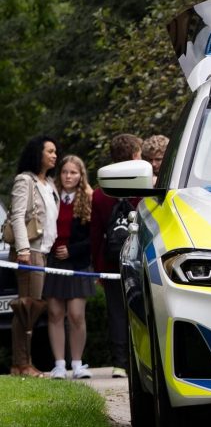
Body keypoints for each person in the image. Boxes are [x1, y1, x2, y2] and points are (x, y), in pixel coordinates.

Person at [90, 134, 144, 378]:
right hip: (139, 258)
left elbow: (96, 235)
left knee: (116, 311)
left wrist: (97, 267)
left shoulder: (100, 195)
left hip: (111, 262)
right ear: (134, 156)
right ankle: (139, 359)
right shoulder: (144, 188)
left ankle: (120, 363)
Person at [7, 136, 59, 377]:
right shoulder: (24, 181)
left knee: (32, 306)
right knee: (26, 306)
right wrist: (24, 249)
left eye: (55, 152)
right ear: (37, 153)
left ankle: (23, 363)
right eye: (50, 151)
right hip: (30, 252)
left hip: (43, 253)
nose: (54, 155)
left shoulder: (49, 183)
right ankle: (21, 364)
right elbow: (16, 215)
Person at [42, 155, 97, 379]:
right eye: (65, 172)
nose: (68, 176)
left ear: (80, 175)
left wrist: (72, 251)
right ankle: (59, 365)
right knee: (55, 313)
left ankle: (77, 364)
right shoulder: (51, 195)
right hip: (54, 262)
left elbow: (94, 237)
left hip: (78, 263)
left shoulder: (89, 198)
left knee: (76, 314)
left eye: (73, 172)